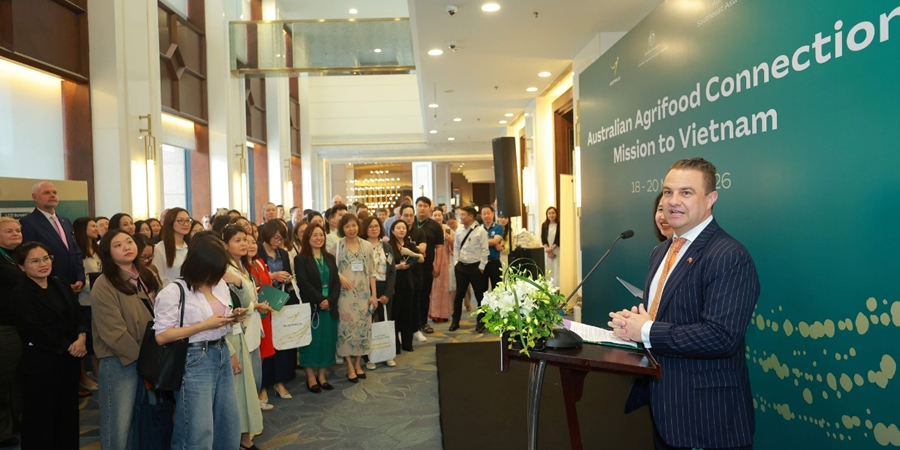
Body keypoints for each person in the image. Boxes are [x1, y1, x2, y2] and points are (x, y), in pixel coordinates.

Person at [608, 158, 760, 450]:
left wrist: (646, 330)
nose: (673, 201)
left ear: (710, 199)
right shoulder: (661, 251)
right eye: (668, 192)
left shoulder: (729, 255)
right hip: (665, 408)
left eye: (686, 192)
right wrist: (633, 326)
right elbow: (662, 317)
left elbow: (722, 336)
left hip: (708, 420)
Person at [153, 238, 241, 449]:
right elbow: (161, 336)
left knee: (228, 421)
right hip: (194, 358)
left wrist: (232, 317)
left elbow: (219, 317)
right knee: (197, 428)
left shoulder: (219, 285)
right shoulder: (174, 291)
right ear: (200, 266)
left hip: (220, 350)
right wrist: (204, 325)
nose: (219, 274)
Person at [11, 242, 88, 449]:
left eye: (46, 258)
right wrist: (69, 346)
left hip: (69, 362)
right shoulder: (20, 293)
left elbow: (78, 313)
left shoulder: (60, 283)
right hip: (41, 365)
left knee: (68, 416)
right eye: (35, 261)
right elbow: (34, 328)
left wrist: (81, 336)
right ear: (22, 267)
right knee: (41, 420)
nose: (43, 264)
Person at [91, 229, 159, 449]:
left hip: (149, 357)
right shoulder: (104, 283)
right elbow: (114, 332)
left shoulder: (148, 275)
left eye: (129, 242)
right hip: (120, 361)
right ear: (108, 253)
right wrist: (145, 359)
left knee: (142, 421)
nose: (126, 247)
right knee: (118, 425)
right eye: (118, 245)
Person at [221, 225, 272, 448]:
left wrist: (255, 305)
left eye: (245, 239)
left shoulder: (243, 265)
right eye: (237, 240)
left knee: (252, 383)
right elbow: (233, 305)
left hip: (251, 329)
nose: (244, 244)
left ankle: (245, 433)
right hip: (237, 331)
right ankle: (240, 436)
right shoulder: (225, 270)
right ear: (224, 245)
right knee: (241, 387)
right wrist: (254, 306)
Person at [294, 223, 341, 392]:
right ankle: (311, 377)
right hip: (313, 308)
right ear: (307, 238)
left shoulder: (330, 258)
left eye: (321, 234)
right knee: (311, 343)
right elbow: (303, 283)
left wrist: (330, 301)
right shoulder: (301, 259)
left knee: (327, 342)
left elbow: (336, 283)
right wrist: (321, 300)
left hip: (329, 308)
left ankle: (322, 376)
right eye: (314, 235)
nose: (319, 238)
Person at [331, 213, 377, 382]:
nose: (351, 229)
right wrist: (339, 276)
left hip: (364, 295)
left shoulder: (367, 246)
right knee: (345, 330)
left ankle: (358, 364)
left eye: (354, 225)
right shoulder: (337, 247)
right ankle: (349, 365)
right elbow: (330, 269)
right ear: (342, 229)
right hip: (344, 296)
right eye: (347, 226)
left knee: (362, 329)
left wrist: (374, 295)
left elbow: (372, 272)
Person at [20, 181, 84, 295]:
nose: (52, 195)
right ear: (34, 197)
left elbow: (76, 251)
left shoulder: (65, 220)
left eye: (54, 192)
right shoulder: (28, 223)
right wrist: (58, 284)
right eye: (46, 193)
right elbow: (32, 258)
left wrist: (80, 278)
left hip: (74, 285)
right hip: (49, 288)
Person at [258, 221, 297, 399]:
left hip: (280, 301)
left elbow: (287, 274)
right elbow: (254, 276)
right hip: (264, 302)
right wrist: (273, 275)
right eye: (275, 238)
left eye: (281, 239)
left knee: (282, 343)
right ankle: (263, 385)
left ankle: (279, 381)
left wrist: (286, 278)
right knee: (266, 345)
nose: (278, 242)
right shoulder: (258, 251)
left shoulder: (283, 253)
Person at [362, 216, 397, 369]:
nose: (374, 229)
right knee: (368, 323)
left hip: (384, 287)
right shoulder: (361, 246)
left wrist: (388, 293)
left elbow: (392, 271)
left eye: (376, 226)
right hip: (367, 289)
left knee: (384, 322)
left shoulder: (387, 247)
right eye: (370, 226)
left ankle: (386, 355)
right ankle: (369, 357)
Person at [0, 218, 22, 448]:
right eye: (9, 231)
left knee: (17, 379)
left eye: (18, 230)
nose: (16, 233)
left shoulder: (18, 255)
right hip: (4, 327)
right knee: (3, 379)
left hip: (21, 326)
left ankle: (16, 421)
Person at [449, 206, 489, 332]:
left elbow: (485, 250)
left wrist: (482, 267)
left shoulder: (481, 231)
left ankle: (481, 322)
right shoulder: (459, 231)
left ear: (471, 216)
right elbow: (456, 248)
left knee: (479, 295)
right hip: (461, 267)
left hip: (476, 267)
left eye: (463, 215)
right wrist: (456, 263)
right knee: (459, 296)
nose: (460, 217)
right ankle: (455, 321)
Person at [73, 217, 102, 391]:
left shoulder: (97, 249)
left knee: (98, 340)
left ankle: (98, 373)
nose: (96, 228)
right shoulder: (78, 251)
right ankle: (84, 378)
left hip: (99, 301)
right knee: (87, 340)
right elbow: (81, 277)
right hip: (85, 301)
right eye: (92, 226)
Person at [387, 220, 423, 351]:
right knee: (395, 314)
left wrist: (410, 253)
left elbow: (421, 259)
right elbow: (385, 266)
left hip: (408, 282)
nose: (401, 230)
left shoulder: (409, 245)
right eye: (398, 228)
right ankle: (395, 345)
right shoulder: (388, 246)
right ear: (392, 231)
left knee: (408, 313)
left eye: (403, 228)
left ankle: (407, 343)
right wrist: (398, 267)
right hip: (394, 283)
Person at [412, 197, 444, 335]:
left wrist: (438, 265)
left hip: (426, 266)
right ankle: (410, 323)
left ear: (430, 208)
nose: (422, 208)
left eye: (425, 206)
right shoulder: (409, 223)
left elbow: (439, 247)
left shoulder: (435, 226)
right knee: (410, 295)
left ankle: (423, 322)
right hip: (409, 267)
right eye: (420, 205)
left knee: (424, 295)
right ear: (416, 206)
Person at [399, 204, 427, 342]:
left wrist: (408, 249)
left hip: (416, 272)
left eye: (411, 215)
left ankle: (416, 329)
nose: (409, 218)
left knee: (416, 301)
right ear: (400, 216)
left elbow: (422, 251)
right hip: (400, 273)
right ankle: (400, 331)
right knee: (401, 303)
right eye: (406, 215)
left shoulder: (419, 232)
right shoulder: (396, 230)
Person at [151, 207, 192, 287]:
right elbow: (159, 280)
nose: (186, 224)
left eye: (188, 220)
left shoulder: (192, 246)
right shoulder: (160, 249)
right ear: (170, 222)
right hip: (172, 291)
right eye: (181, 220)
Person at [428, 209, 452, 323]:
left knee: (443, 286)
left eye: (439, 215)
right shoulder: (430, 228)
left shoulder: (447, 228)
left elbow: (454, 245)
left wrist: (449, 239)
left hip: (444, 259)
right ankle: (432, 312)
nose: (437, 217)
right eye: (435, 215)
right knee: (433, 287)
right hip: (432, 258)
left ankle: (443, 313)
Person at [481, 205, 504, 292]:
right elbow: (475, 243)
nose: (486, 216)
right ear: (481, 216)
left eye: (488, 213)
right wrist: (492, 242)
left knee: (497, 288)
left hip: (494, 262)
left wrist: (482, 242)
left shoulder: (498, 227)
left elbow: (495, 241)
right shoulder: (478, 229)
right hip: (482, 262)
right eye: (484, 214)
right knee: (482, 289)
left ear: (493, 214)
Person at [541, 206, 560, 289]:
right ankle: (548, 287)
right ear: (547, 215)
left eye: (553, 213)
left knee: (556, 267)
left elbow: (559, 238)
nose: (551, 215)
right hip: (547, 250)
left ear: (556, 214)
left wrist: (552, 248)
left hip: (557, 249)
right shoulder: (544, 225)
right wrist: (548, 249)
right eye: (549, 213)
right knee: (548, 267)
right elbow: (543, 238)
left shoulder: (559, 225)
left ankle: (557, 287)